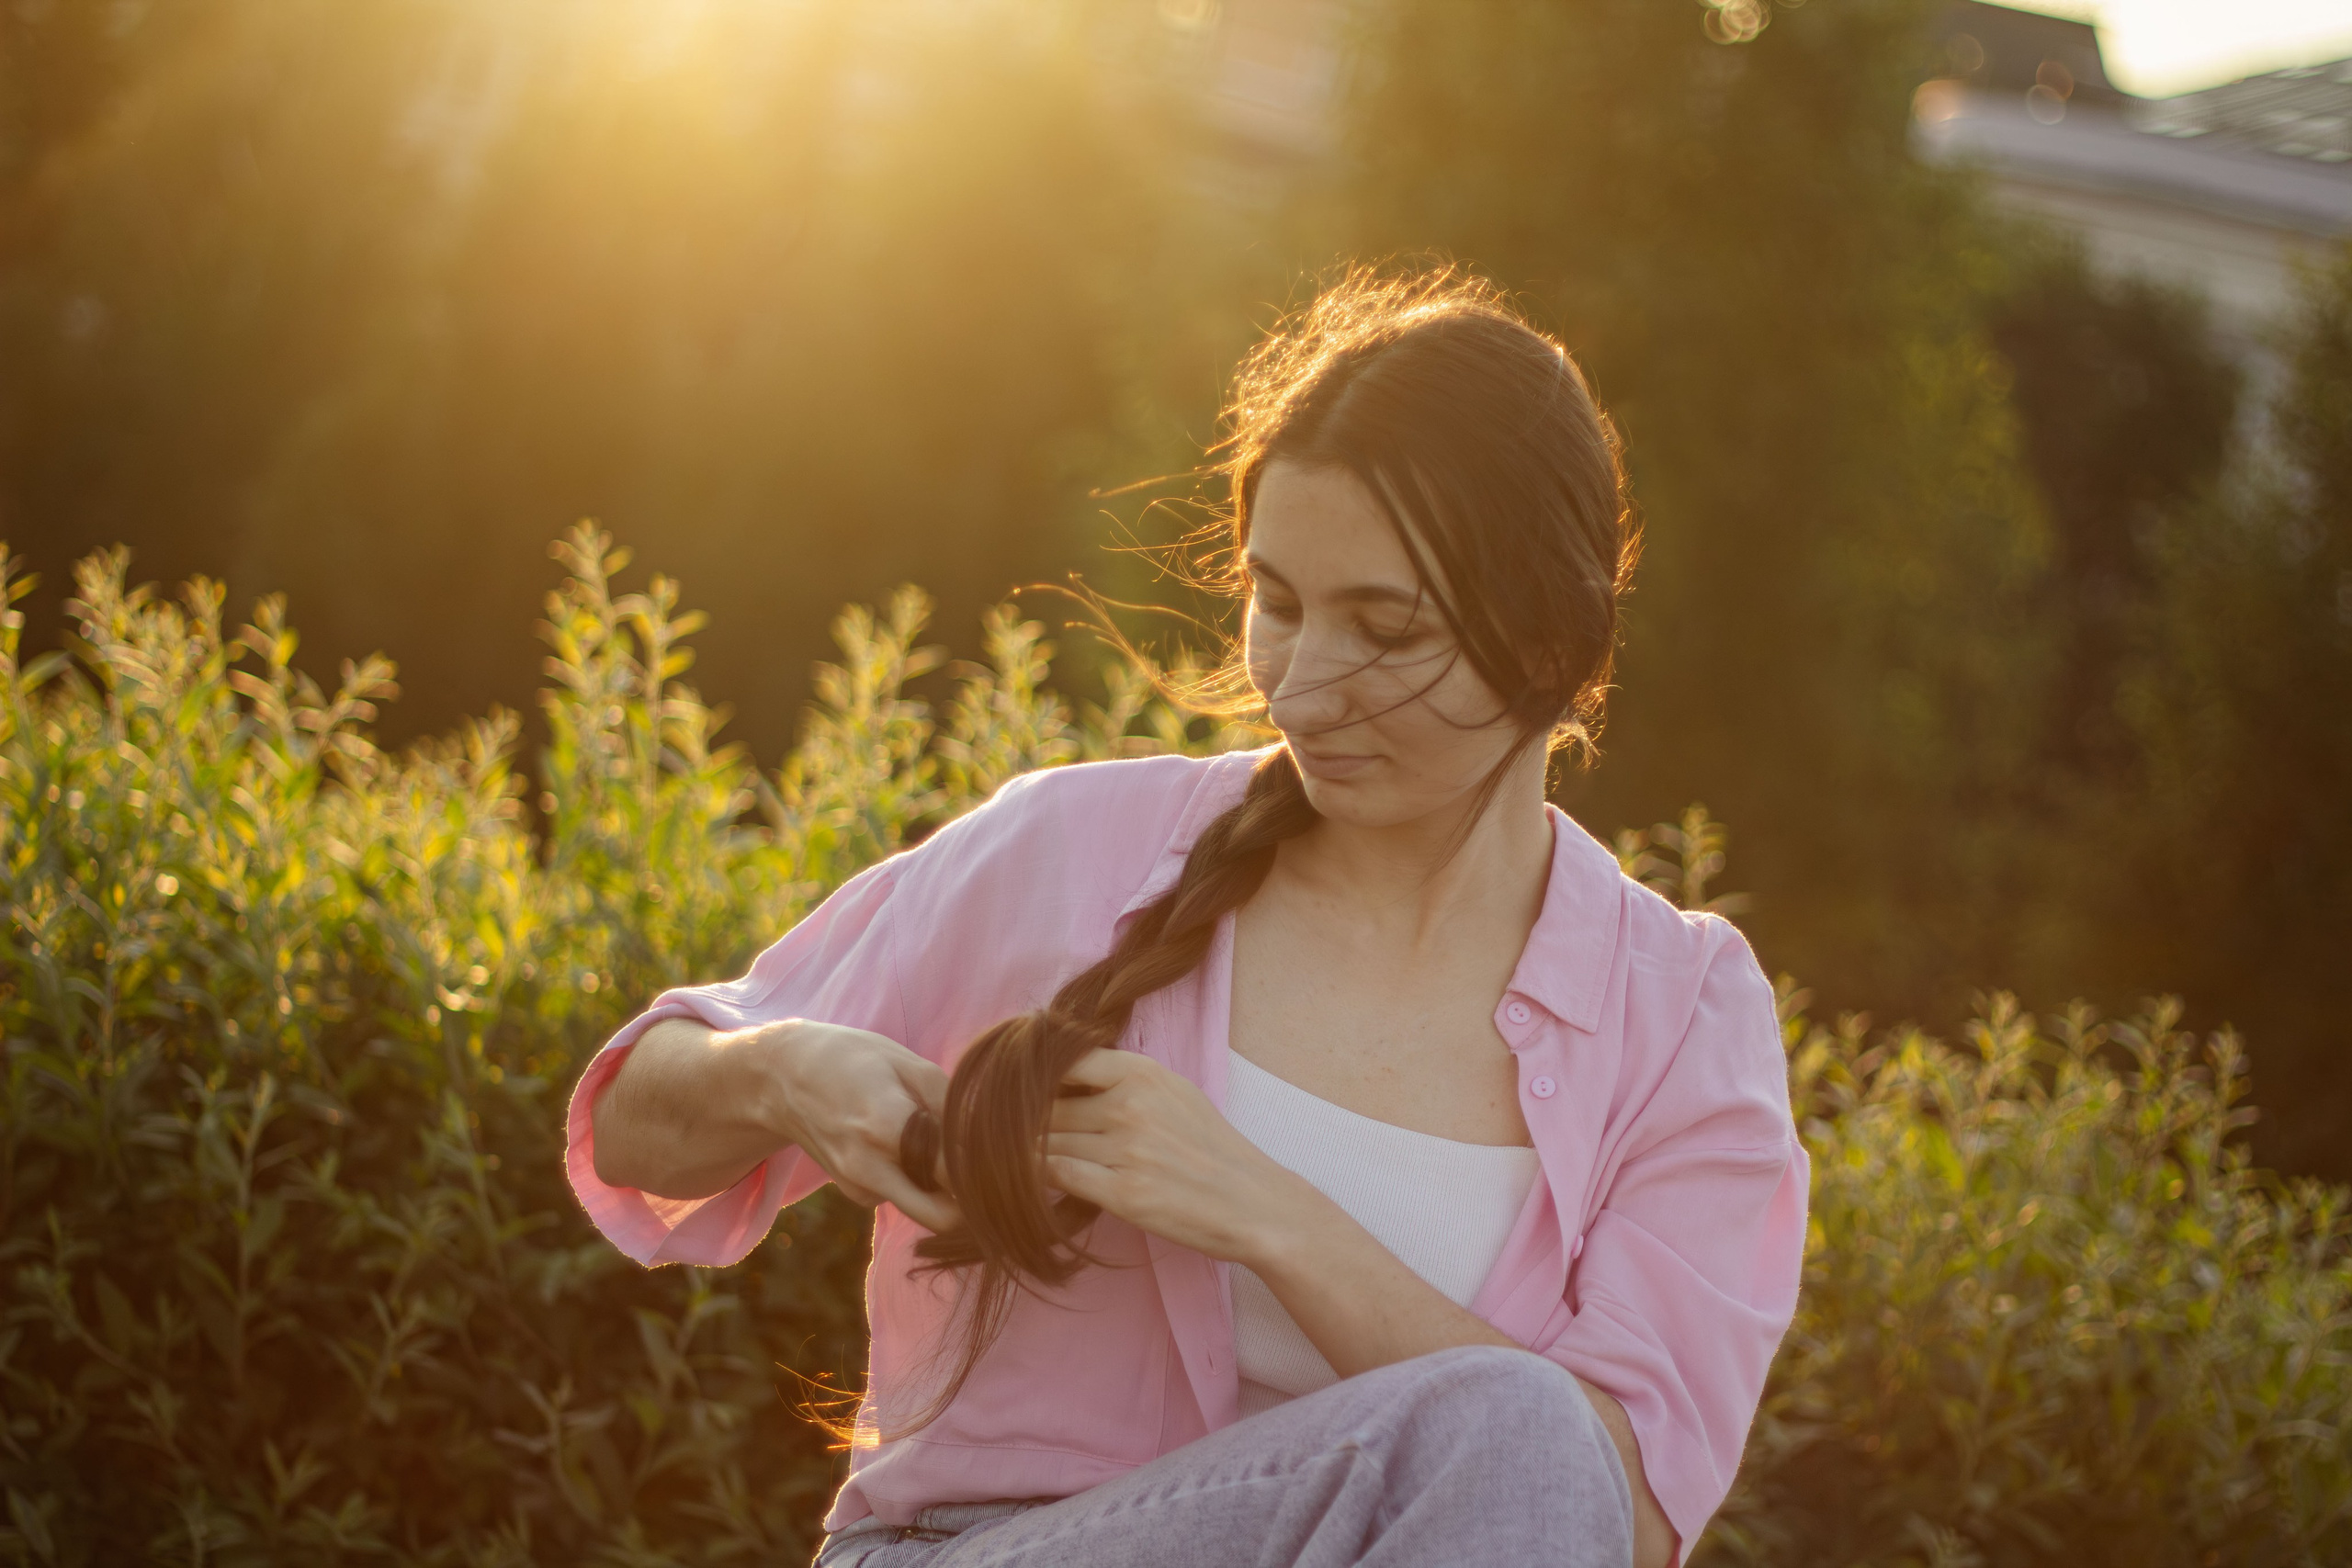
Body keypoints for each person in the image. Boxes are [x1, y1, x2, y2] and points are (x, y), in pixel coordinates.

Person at [567, 269, 1807, 1568]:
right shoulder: (1069, 850)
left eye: (1384, 629)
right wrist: (782, 1074)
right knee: (1521, 1427)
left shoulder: (1684, 1018)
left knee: (1527, 1435)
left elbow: (1618, 1513)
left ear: (1551, 643)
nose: (1302, 687)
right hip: (969, 1551)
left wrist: (1267, 1214)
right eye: (1280, 603)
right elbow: (638, 1125)